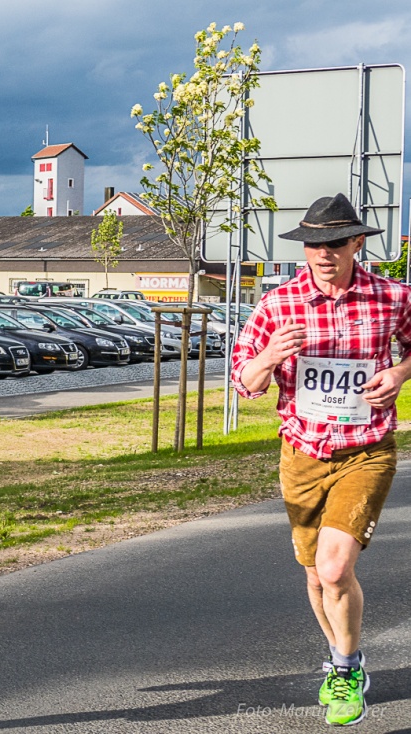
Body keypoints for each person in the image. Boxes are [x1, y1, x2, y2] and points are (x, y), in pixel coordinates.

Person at [230, 193, 411, 727]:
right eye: (313, 243)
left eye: (334, 242)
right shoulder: (278, 305)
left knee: (335, 568)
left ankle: (346, 667)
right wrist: (270, 355)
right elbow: (246, 384)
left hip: (367, 449)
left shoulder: (394, 298)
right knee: (315, 577)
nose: (322, 253)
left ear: (357, 242)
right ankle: (340, 657)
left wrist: (399, 375)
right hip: (303, 454)